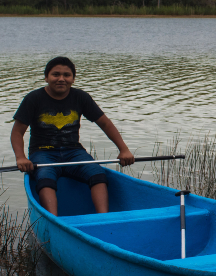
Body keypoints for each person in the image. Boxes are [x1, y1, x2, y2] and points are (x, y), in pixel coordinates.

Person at [11, 56, 135, 215]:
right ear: (46, 77)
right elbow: (17, 132)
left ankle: (103, 218)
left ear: (73, 79)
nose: (61, 79)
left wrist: (124, 149)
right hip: (42, 153)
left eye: (66, 75)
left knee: (97, 173)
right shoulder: (33, 98)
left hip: (74, 151)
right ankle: (53, 221)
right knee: (45, 178)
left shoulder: (81, 97)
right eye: (55, 74)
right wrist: (21, 157)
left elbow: (105, 124)